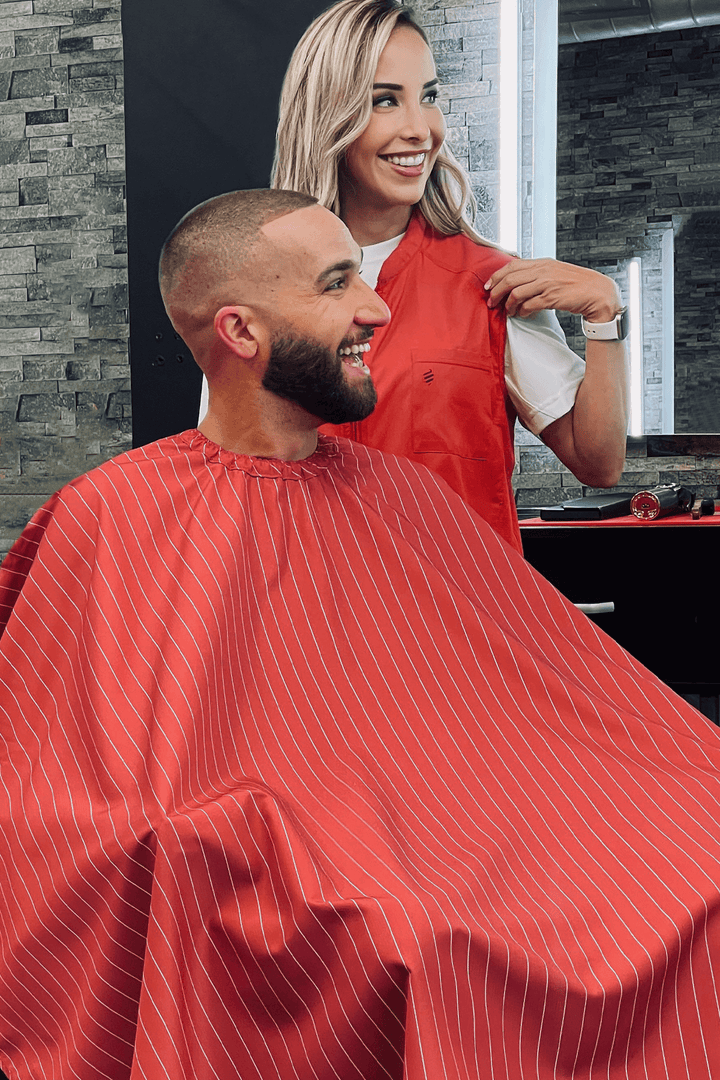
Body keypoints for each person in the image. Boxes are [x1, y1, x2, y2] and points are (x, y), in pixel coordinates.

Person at [1, 189, 719, 1080]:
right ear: (241, 331)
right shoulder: (110, 514)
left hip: (463, 822)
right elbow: (49, 784)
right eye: (339, 284)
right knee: (409, 931)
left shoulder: (403, 496)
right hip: (334, 868)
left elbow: (539, 702)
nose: (377, 309)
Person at [264, 0, 630, 551]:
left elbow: (597, 462)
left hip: (460, 626)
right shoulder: (263, 283)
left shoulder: (491, 283)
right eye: (385, 101)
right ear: (327, 116)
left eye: (429, 96)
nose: (420, 129)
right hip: (317, 623)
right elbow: (231, 472)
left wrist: (605, 313)